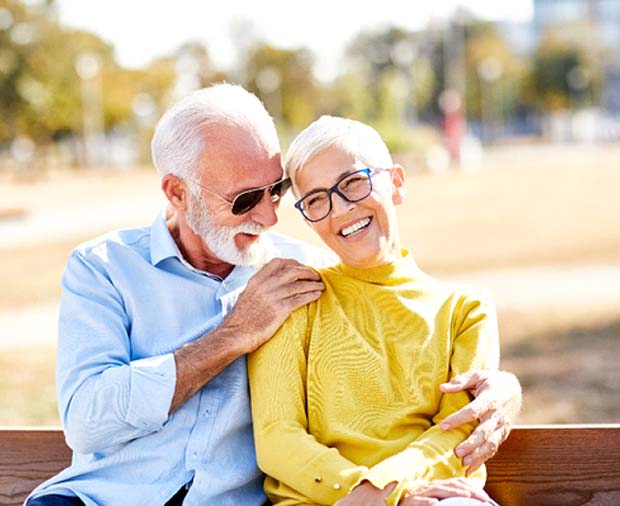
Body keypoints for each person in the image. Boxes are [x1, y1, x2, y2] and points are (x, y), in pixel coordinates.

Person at [27, 85, 520, 506]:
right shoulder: (103, 268)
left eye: (277, 191)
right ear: (178, 193)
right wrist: (232, 335)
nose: (269, 216)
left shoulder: (303, 272)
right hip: (102, 498)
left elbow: (389, 293)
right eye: (244, 199)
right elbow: (87, 421)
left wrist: (504, 389)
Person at [248, 115, 505, 505]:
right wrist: (376, 497)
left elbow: (457, 431)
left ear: (396, 183)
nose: (341, 209)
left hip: (432, 497)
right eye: (317, 199)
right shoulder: (292, 298)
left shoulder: (465, 310)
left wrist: (384, 490)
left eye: (353, 182)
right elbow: (276, 437)